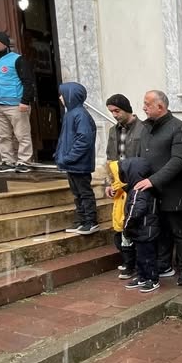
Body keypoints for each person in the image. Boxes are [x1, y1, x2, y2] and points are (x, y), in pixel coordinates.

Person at [136, 90, 182, 286]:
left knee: (179, 230)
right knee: (158, 229)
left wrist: (154, 180)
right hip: (151, 190)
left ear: (160, 107)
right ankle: (164, 264)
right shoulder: (145, 128)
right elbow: (140, 157)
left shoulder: (179, 127)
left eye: (147, 104)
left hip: (174, 189)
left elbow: (177, 160)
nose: (143, 107)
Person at [0, 30, 36, 173]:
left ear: (4, 44)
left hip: (16, 105)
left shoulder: (17, 59)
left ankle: (25, 161)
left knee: (21, 135)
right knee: (3, 136)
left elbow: (28, 81)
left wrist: (25, 101)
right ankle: (8, 161)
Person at [104, 94, 146, 278]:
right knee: (119, 224)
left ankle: (137, 264)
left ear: (126, 109)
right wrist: (108, 183)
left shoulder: (143, 129)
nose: (114, 115)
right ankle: (128, 261)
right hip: (119, 185)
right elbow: (110, 158)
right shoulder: (113, 131)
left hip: (136, 182)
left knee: (135, 223)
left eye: (117, 111)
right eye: (111, 111)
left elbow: (145, 158)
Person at [55, 82, 98, 234]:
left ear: (70, 95)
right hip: (72, 164)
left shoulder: (80, 115)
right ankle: (82, 220)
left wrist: (67, 157)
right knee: (77, 193)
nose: (60, 97)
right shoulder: (70, 114)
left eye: (63, 94)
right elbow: (65, 139)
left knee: (84, 193)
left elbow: (84, 139)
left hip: (79, 164)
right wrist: (59, 155)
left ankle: (91, 221)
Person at [118, 157, 161, 294]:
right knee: (141, 256)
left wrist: (127, 227)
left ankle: (152, 279)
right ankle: (142, 277)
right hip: (142, 230)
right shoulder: (137, 189)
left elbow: (135, 211)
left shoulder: (138, 191)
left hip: (144, 229)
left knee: (148, 257)